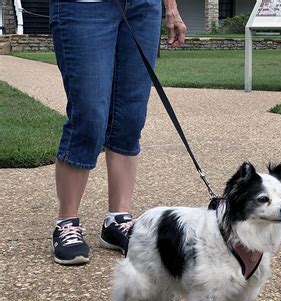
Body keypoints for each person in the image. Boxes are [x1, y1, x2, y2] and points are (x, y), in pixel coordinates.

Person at [50, 0, 187, 265]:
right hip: (84, 6)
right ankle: (66, 223)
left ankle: (118, 220)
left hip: (142, 7)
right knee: (89, 116)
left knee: (131, 116)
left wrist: (171, 6)